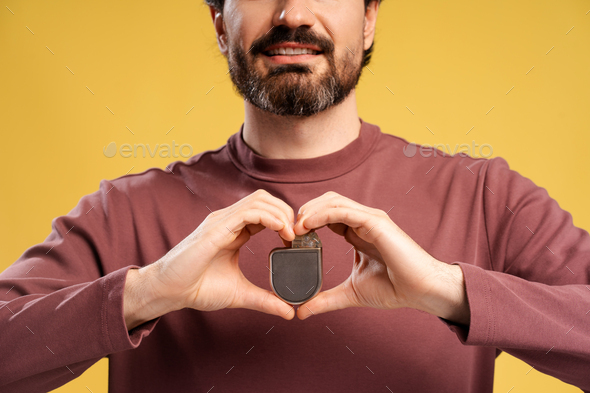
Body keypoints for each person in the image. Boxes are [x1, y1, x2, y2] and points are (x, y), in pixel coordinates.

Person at [1, 0, 589, 391]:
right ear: (218, 20)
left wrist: (449, 290)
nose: (292, 13)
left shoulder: (485, 197)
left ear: (368, 19)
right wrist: (145, 292)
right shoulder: (122, 212)